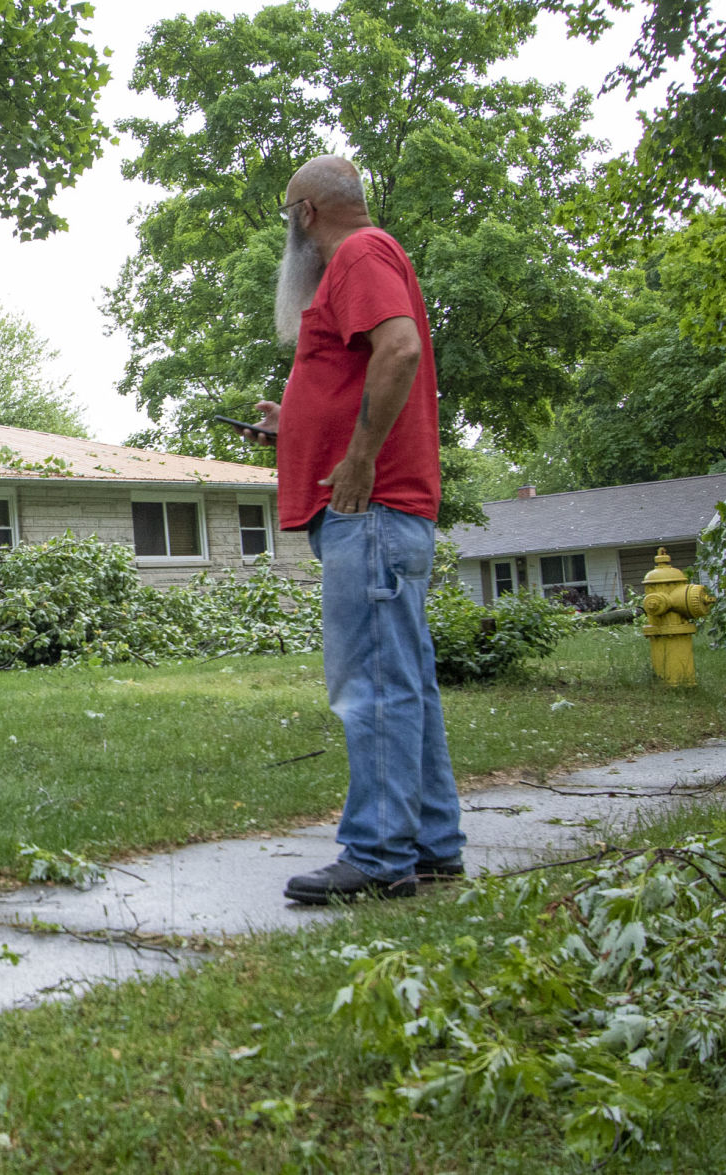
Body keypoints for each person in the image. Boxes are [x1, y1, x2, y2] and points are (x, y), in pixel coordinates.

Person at [231, 155, 464, 905]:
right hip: (380, 516)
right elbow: (362, 366)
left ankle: (377, 853)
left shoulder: (358, 253)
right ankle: (431, 844)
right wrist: (293, 420)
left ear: (305, 213)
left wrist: (359, 456)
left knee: (371, 685)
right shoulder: (365, 258)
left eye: (285, 217)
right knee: (405, 684)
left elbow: (398, 348)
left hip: (368, 514)